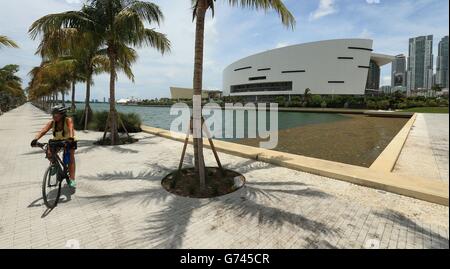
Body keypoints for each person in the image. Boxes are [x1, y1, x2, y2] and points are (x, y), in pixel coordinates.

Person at [31, 105, 77, 188]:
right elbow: (43, 130)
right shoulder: (52, 122)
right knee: (49, 153)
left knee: (70, 159)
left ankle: (72, 179)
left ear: (62, 114)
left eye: (56, 114)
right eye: (53, 114)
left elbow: (71, 129)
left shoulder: (67, 120)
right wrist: (35, 139)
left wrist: (71, 138)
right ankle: (55, 165)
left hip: (69, 140)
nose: (54, 116)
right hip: (57, 140)